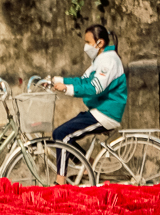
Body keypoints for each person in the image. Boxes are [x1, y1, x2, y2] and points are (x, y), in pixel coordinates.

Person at [50, 24, 126, 185]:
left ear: (100, 43)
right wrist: (58, 80)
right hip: (98, 111)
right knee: (59, 133)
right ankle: (87, 163)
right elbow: (83, 80)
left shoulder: (109, 60)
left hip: (106, 113)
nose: (86, 46)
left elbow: (95, 87)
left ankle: (60, 183)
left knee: (63, 134)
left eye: (88, 42)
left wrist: (67, 89)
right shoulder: (99, 59)